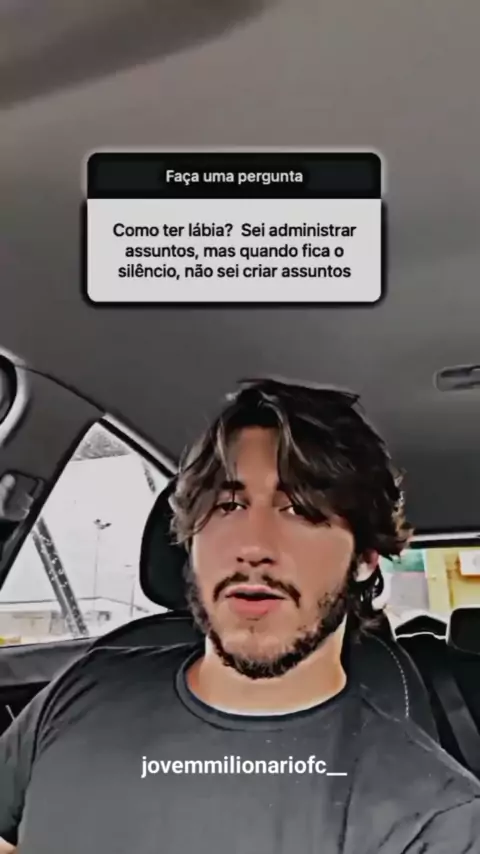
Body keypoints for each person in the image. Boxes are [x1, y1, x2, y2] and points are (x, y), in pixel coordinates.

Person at [0, 377, 479, 854]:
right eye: (227, 505)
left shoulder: (436, 816)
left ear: (364, 559)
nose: (253, 546)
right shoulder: (84, 686)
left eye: (302, 510)